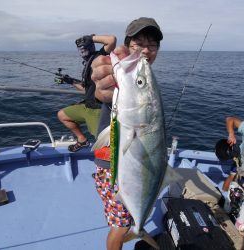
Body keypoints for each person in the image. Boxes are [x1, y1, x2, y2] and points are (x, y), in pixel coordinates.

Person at [91, 17, 163, 250]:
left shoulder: (144, 78)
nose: (144, 49)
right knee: (120, 227)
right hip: (111, 167)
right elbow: (102, 92)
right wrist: (102, 87)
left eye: (151, 45)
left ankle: (138, 228)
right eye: (137, 43)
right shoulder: (123, 77)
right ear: (127, 45)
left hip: (137, 166)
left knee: (128, 221)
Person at [57, 34, 116, 152]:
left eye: (84, 47)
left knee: (104, 143)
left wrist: (91, 37)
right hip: (86, 106)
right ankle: (82, 140)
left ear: (91, 46)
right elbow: (86, 89)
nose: (82, 51)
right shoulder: (87, 64)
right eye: (80, 49)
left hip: (98, 110)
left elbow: (111, 40)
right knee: (62, 115)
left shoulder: (99, 57)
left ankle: (106, 169)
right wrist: (70, 82)